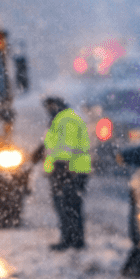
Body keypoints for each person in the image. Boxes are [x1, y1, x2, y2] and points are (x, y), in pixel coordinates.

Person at [36, 96, 91, 250]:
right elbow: (52, 144)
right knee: (69, 205)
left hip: (70, 170)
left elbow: (68, 146)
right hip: (69, 170)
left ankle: (71, 240)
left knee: (67, 205)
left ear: (56, 104)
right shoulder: (61, 119)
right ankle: (73, 239)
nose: (48, 110)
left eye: (49, 106)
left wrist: (62, 168)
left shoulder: (66, 119)